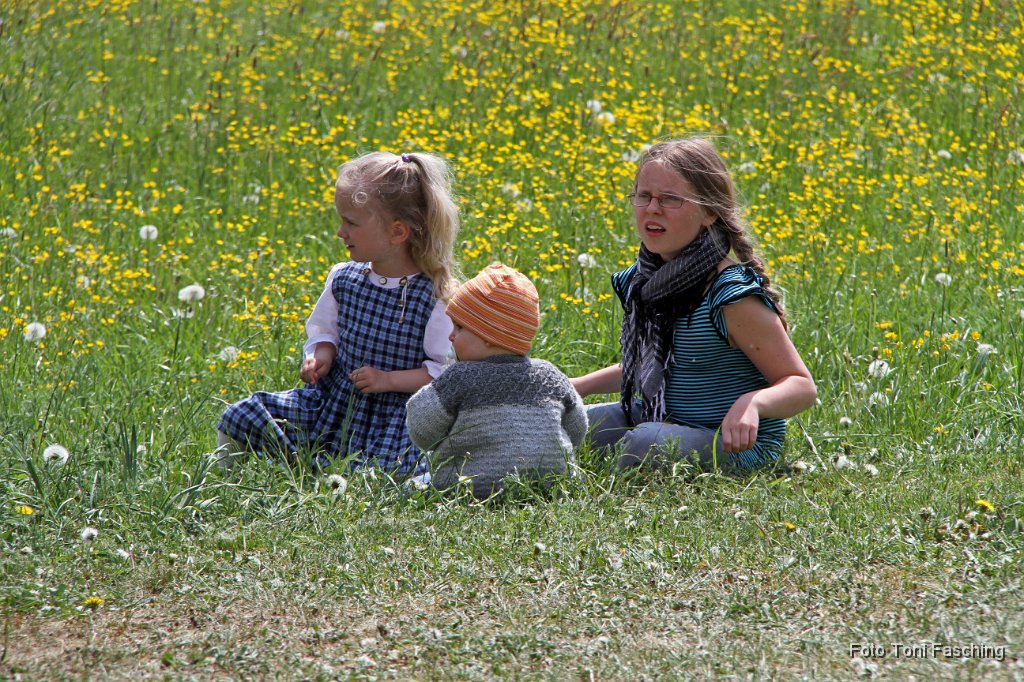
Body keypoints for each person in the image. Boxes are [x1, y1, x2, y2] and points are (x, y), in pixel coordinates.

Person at [571, 137, 816, 472]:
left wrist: (753, 403)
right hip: (662, 418)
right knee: (570, 426)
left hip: (733, 444)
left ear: (709, 212)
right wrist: (572, 389)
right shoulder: (642, 281)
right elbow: (652, 364)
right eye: (644, 196)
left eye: (671, 199)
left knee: (645, 442)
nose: (652, 208)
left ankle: (602, 496)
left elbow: (800, 385)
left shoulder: (730, 295)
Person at [216, 151, 460, 476]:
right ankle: (222, 472)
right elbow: (325, 331)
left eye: (351, 223)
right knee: (242, 414)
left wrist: (388, 380)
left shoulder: (433, 296)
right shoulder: (344, 278)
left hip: (394, 415)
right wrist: (321, 355)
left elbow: (442, 373)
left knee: (386, 473)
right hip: (331, 404)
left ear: (398, 232)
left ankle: (327, 467)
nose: (340, 232)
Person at [406, 264, 588, 498]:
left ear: (490, 336)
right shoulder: (550, 375)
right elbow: (578, 429)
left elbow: (421, 428)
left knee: (414, 486)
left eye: (459, 328)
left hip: (471, 487)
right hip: (551, 484)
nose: (451, 335)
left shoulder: (460, 377)